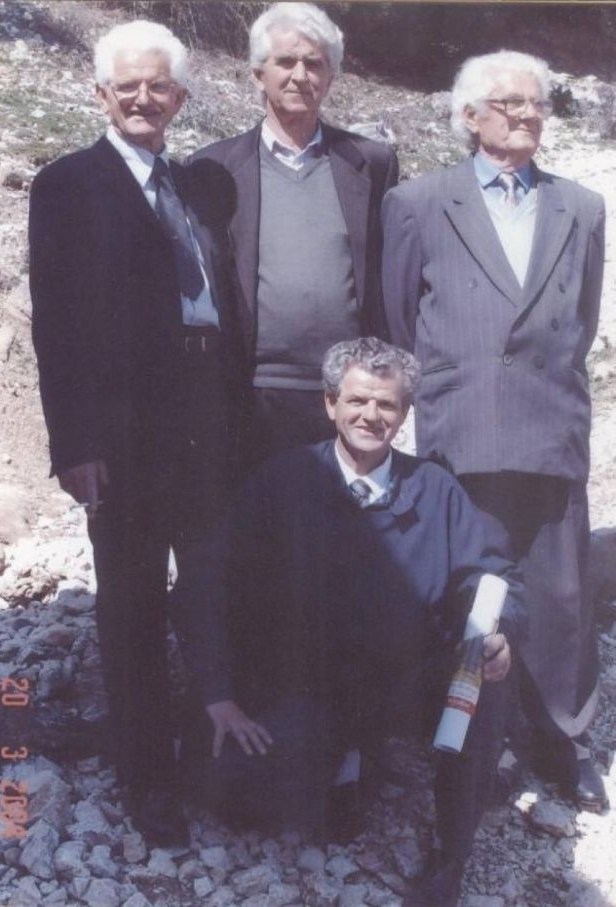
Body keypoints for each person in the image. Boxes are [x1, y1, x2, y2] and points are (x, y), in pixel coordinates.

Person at [175, 338, 526, 907]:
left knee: (483, 675)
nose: (371, 415)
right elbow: (203, 581)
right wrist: (219, 695)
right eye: (358, 400)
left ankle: (451, 853)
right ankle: (347, 766)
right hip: (308, 686)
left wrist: (501, 629)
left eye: (387, 404)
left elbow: (491, 573)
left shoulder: (435, 489)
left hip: (404, 683)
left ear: (404, 415)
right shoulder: (284, 480)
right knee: (228, 787)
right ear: (330, 403)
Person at [29, 20, 242, 843]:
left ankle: (214, 757)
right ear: (101, 94)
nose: (144, 99)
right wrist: (74, 443)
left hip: (207, 421)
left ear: (180, 97)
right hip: (123, 437)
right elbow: (56, 324)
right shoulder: (68, 184)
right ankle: (147, 776)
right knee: (132, 604)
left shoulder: (196, 184)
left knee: (214, 590)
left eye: (159, 86)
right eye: (129, 86)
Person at [381, 50, 607, 811]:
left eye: (538, 103)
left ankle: (562, 738)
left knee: (562, 591)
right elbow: (399, 316)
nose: (528, 115)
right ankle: (481, 737)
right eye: (510, 103)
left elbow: (581, 319)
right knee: (471, 588)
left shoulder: (582, 206)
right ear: (470, 116)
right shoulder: (418, 202)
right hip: (461, 423)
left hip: (550, 423)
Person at [190, 2, 399, 467]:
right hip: (253, 393)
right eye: (286, 62)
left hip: (347, 391)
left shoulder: (370, 162)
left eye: (314, 63)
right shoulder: (212, 168)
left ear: (331, 77)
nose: (300, 75)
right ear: (257, 74)